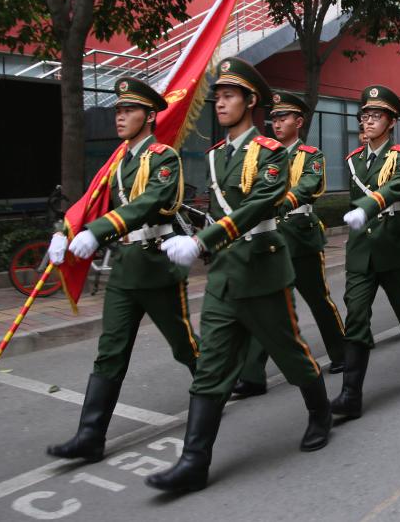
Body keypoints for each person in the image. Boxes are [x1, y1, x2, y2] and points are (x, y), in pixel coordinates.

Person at [147, 58, 331, 494]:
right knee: (211, 367)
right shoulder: (215, 155)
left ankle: (320, 414)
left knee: (290, 353)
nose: (220, 103)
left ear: (250, 101)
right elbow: (218, 210)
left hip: (263, 269)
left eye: (229, 95)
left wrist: (202, 241)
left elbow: (260, 204)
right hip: (226, 274)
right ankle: (193, 461)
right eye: (218, 96)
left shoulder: (271, 152)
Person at [46, 77, 197, 464]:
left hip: (157, 266)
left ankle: (213, 390)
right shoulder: (118, 162)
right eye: (118, 110)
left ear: (149, 116)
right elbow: (93, 203)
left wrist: (97, 231)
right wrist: (66, 230)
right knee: (110, 352)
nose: (120, 116)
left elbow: (149, 202)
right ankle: (90, 436)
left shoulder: (164, 157)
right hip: (126, 269)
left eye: (129, 110)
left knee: (184, 346)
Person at [231, 91, 346, 398]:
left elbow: (309, 185)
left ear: (299, 121)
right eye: (274, 118)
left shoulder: (310, 155)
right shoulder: (260, 155)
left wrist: (282, 202)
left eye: (283, 117)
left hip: (300, 237)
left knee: (318, 299)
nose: (277, 123)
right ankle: (253, 375)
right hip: (268, 240)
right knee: (265, 307)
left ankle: (341, 353)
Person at [333, 85, 400, 421]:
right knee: (356, 315)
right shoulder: (353, 159)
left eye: (377, 116)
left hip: (394, 243)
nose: (369, 121)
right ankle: (351, 394)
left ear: (392, 122)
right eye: (365, 115)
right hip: (362, 248)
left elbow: (398, 186)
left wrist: (367, 206)